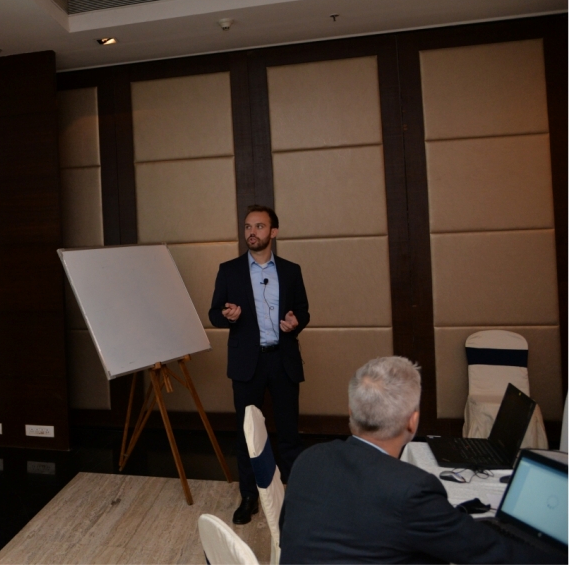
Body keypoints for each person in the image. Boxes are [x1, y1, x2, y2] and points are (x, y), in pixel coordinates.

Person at [279, 356, 559, 564]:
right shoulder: (411, 490)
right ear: (412, 422)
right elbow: (489, 553)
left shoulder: (309, 459)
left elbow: (290, 532)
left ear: (350, 411)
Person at [208, 204, 309, 524]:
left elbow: (303, 311)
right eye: (248, 227)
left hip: (282, 360)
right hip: (247, 363)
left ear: (273, 232)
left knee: (289, 432)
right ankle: (249, 496)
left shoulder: (291, 270)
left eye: (260, 226)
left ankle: (295, 498)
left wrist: (296, 323)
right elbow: (214, 313)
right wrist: (228, 317)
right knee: (247, 433)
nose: (252, 232)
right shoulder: (229, 270)